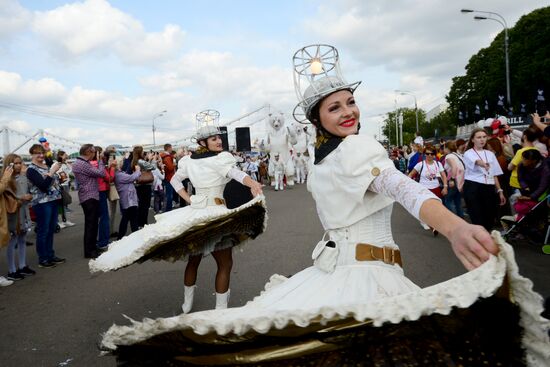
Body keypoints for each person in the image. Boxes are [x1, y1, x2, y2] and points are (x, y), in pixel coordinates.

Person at [97, 46, 550, 365]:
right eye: (334, 108)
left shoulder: (333, 156)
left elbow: (400, 187)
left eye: (351, 102)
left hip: (350, 270)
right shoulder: (345, 153)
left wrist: (451, 225)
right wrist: (453, 227)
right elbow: (401, 187)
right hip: (359, 276)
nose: (349, 111)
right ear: (318, 120)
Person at [90, 124, 266, 314]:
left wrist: (189, 198)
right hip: (216, 215)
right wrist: (252, 183)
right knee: (224, 264)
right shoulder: (219, 159)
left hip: (196, 215)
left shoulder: (189, 161)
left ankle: (187, 306)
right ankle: (219, 313)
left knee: (194, 261)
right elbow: (236, 174)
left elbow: (176, 180)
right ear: (202, 142)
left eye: (219, 137)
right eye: (214, 138)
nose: (219, 141)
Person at [72, 144, 115, 259]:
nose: (94, 155)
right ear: (88, 152)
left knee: (92, 224)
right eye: (93, 152)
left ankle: (92, 248)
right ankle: (90, 251)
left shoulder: (80, 163)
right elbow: (101, 173)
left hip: (89, 195)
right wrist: (100, 161)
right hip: (89, 196)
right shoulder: (82, 164)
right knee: (91, 225)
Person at [26, 144, 65, 268]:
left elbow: (52, 182)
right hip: (42, 203)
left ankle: (50, 255)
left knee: (51, 229)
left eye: (42, 153)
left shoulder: (46, 166)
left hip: (53, 200)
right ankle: (43, 258)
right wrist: (52, 172)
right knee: (43, 230)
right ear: (31, 154)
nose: (41, 155)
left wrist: (59, 178)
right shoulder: (31, 169)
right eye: (37, 153)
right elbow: (42, 185)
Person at [462, 128, 507, 231]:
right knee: (477, 218)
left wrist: (500, 191)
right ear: (472, 140)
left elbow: (494, 174)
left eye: (484, 137)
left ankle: (486, 239)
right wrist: (483, 164)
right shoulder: (468, 153)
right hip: (473, 187)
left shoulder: (490, 154)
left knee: (489, 217)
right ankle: (479, 241)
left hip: (489, 187)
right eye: (479, 137)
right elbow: (477, 161)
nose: (482, 140)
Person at [3, 154, 35, 281]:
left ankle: (22, 265)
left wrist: (29, 196)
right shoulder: (5, 180)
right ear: (9, 164)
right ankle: (12, 270)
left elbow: (30, 190)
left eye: (20, 163)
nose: (18, 165)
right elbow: (6, 198)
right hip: (13, 213)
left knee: (22, 238)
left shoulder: (23, 177)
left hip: (24, 211)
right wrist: (21, 198)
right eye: (15, 163)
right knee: (13, 240)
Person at [408, 144, 448, 235]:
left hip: (436, 188)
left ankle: (433, 222)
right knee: (426, 207)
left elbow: (443, 175)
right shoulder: (420, 164)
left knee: (436, 208)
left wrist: (445, 187)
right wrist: (409, 185)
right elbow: (410, 175)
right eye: (427, 153)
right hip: (424, 189)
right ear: (424, 154)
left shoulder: (438, 164)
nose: (429, 156)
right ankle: (427, 222)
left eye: (432, 154)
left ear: (434, 154)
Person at [114, 161, 141, 239]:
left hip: (128, 199)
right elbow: (131, 178)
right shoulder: (119, 175)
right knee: (130, 218)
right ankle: (122, 237)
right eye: (121, 162)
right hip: (129, 199)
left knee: (129, 218)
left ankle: (123, 236)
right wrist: (137, 170)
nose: (122, 163)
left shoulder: (119, 174)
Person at [442, 141, 465, 218]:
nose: (443, 149)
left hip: (453, 180)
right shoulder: (458, 155)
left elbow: (454, 167)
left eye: (444, 147)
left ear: (447, 148)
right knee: (457, 201)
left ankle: (453, 219)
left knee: (448, 200)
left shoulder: (449, 156)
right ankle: (460, 219)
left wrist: (452, 179)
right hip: (460, 181)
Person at [160, 144, 176, 212]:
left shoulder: (163, 156)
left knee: (168, 193)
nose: (172, 149)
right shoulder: (167, 157)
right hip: (169, 177)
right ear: (169, 148)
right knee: (169, 194)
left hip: (166, 176)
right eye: (171, 147)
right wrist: (174, 165)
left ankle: (167, 208)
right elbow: (170, 168)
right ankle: (168, 209)